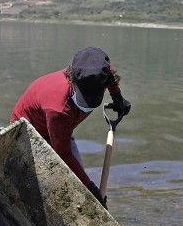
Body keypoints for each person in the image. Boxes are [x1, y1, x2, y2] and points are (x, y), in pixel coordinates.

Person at [10, 47, 131, 206]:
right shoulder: (59, 109)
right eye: (84, 98)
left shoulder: (98, 70)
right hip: (30, 132)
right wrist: (90, 187)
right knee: (71, 185)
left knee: (79, 185)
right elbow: (63, 153)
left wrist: (117, 97)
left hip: (61, 129)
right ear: (71, 79)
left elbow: (110, 76)